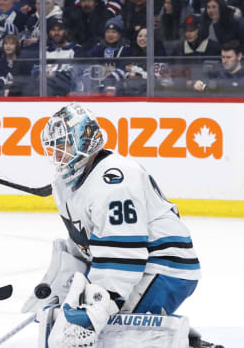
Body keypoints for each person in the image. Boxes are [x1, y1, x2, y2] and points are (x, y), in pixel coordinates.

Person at [33, 102, 201, 346]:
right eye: (54, 146)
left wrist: (102, 303)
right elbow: (82, 245)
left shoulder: (115, 179)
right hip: (134, 265)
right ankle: (178, 338)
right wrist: (61, 289)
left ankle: (178, 342)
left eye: (63, 144)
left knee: (110, 336)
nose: (57, 153)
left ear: (85, 139)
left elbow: (123, 253)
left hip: (164, 266)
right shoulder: (66, 183)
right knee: (87, 325)